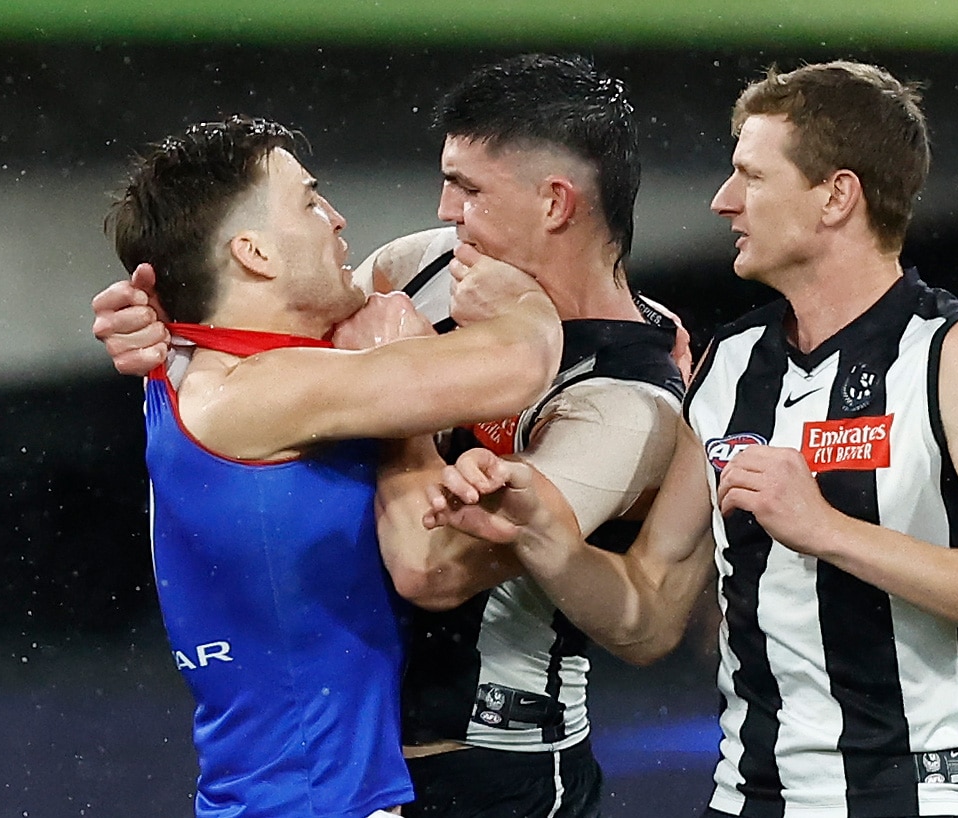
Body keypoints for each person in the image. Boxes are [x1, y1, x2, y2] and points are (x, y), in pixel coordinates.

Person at [423, 60, 958, 818]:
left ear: (837, 196)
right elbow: (648, 612)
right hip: (747, 800)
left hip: (913, 797)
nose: (722, 201)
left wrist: (829, 531)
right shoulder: (733, 365)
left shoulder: (956, 352)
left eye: (751, 176)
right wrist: (543, 534)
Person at [92, 55, 687, 818]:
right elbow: (302, 325)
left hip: (491, 775)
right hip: (331, 792)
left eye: (468, 188)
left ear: (555, 202)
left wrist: (158, 320)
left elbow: (432, 565)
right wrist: (153, 312)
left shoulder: (623, 397)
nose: (443, 209)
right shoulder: (408, 280)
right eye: (311, 202)